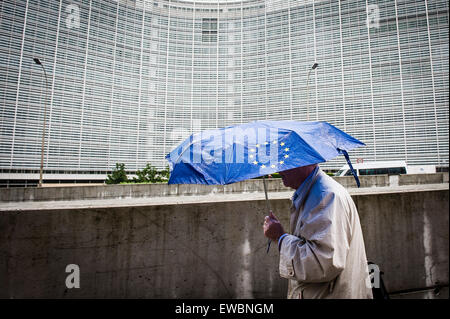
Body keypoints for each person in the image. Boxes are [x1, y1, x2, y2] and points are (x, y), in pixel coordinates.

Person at [263, 164, 373, 299]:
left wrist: (280, 237)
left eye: (284, 162)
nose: (278, 170)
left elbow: (322, 263)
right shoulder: (315, 193)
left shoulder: (326, 197)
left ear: (307, 162)